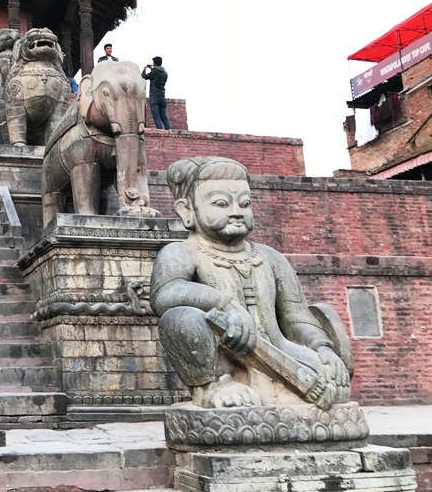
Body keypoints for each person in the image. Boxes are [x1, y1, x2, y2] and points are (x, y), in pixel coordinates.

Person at [150, 157, 352, 411]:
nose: (236, 211)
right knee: (179, 318)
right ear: (187, 210)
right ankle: (215, 386)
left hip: (281, 351)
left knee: (335, 384)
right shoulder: (181, 252)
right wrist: (224, 304)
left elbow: (296, 317)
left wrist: (323, 349)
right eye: (221, 203)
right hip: (224, 355)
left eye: (244, 203)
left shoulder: (270, 257)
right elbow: (165, 294)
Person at [141, 56, 170, 130]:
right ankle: (169, 130)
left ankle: (159, 131)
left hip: (154, 97)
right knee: (163, 116)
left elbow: (144, 76)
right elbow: (156, 73)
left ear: (155, 63)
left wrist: (144, 69)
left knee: (156, 115)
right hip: (162, 96)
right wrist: (152, 68)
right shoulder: (165, 73)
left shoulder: (154, 72)